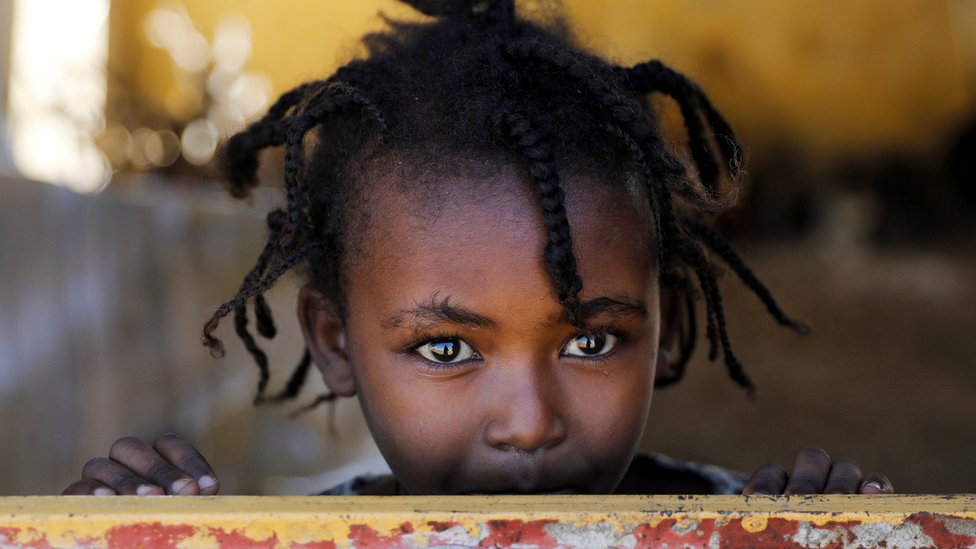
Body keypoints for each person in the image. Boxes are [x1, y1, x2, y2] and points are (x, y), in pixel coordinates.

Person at [62, 0, 892, 497]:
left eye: (590, 340)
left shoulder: (735, 528)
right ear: (336, 341)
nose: (528, 424)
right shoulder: (302, 542)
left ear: (666, 326)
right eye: (447, 346)